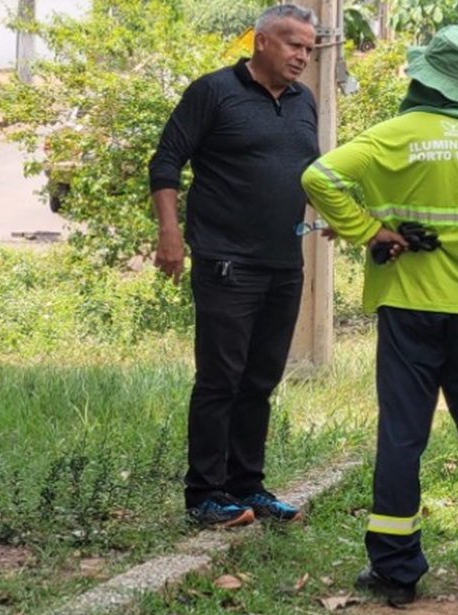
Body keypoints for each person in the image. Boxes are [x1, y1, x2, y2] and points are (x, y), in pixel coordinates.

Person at [301, 25, 458, 605]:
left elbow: (320, 177)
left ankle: (397, 572)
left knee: (402, 438)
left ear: (426, 76)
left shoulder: (394, 135)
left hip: (409, 313)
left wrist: (371, 230)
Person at [148, 4, 320, 528]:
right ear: (262, 41)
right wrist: (170, 233)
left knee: (261, 379)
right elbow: (166, 161)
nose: (302, 57)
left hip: (284, 262)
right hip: (226, 260)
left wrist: (337, 217)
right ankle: (204, 494)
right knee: (221, 378)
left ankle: (248, 487)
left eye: (309, 50)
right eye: (294, 45)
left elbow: (311, 171)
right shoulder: (213, 92)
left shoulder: (303, 101)